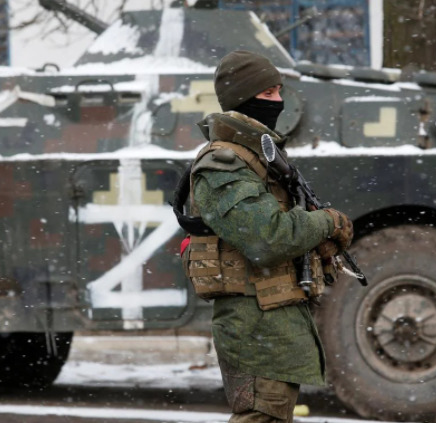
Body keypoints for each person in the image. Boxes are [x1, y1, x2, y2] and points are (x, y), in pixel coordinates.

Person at [183, 50, 354, 422]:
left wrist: (314, 241)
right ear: (243, 98)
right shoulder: (223, 163)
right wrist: (328, 223)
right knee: (262, 416)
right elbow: (267, 238)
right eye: (267, 93)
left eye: (279, 91)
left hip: (273, 315)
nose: (278, 102)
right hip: (254, 320)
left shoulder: (261, 157)